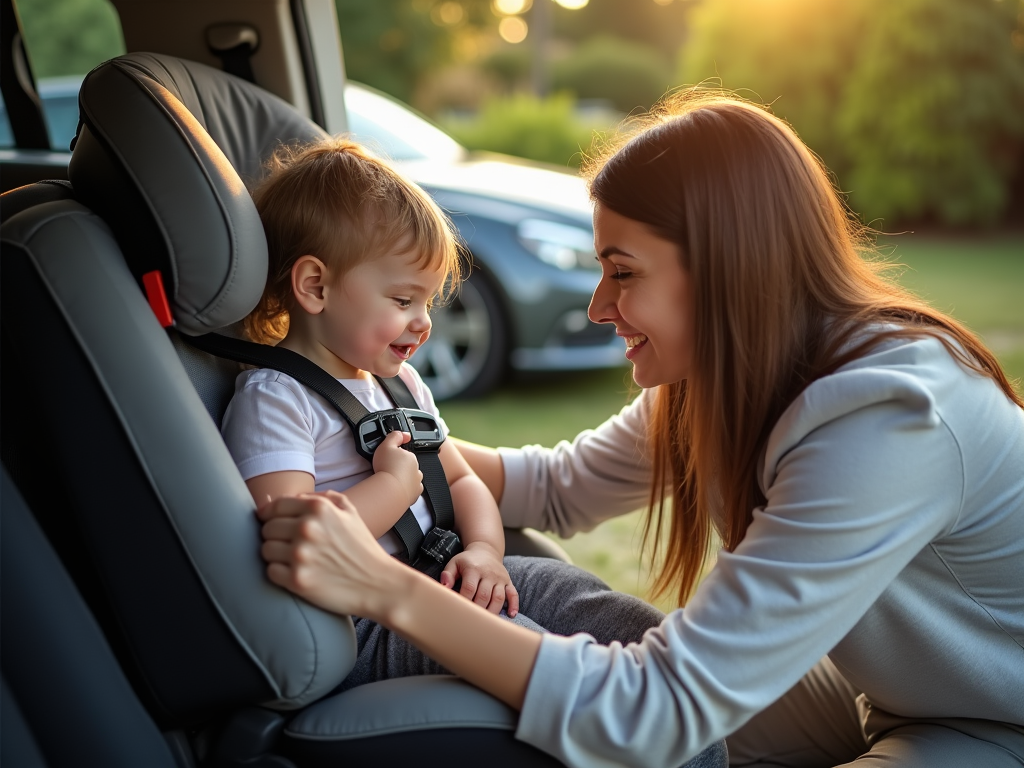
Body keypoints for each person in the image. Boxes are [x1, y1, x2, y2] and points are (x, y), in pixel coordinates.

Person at [254, 94, 1024, 768]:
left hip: (996, 719)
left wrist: (385, 587)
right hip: (882, 690)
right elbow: (554, 486)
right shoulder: (727, 376)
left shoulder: (889, 418)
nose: (597, 305)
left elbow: (657, 708)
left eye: (623, 272)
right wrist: (387, 436)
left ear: (728, 266)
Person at [220, 138, 725, 742]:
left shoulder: (399, 384)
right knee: (559, 664)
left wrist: (484, 551)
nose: (423, 321)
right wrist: (392, 485)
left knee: (607, 612)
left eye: (427, 301)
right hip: (363, 626)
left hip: (441, 577)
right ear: (315, 287)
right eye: (403, 299)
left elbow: (458, 479)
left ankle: (691, 722)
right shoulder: (276, 398)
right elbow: (294, 540)